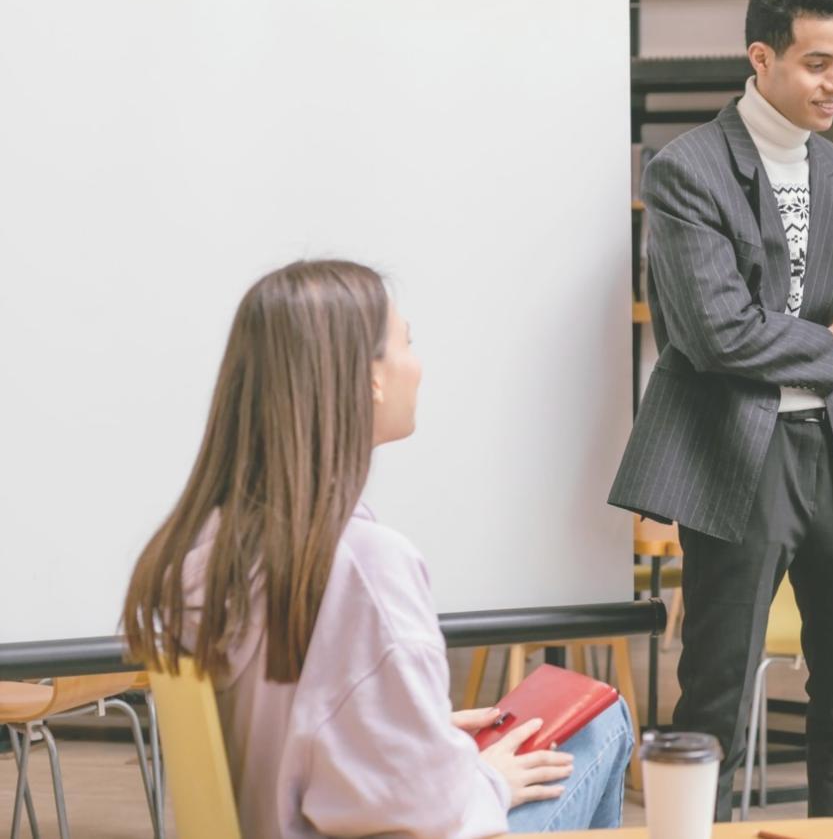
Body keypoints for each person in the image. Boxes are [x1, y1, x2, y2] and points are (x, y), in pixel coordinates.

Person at [122, 260, 632, 837]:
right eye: (407, 343)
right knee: (601, 720)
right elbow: (423, 821)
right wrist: (482, 776)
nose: (418, 366)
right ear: (371, 378)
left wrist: (431, 735)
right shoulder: (362, 566)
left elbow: (302, 732)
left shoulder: (202, 551)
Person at [608, 0, 833, 821]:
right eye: (817, 63)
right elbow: (717, 334)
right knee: (715, 698)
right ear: (761, 57)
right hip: (735, 458)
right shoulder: (685, 172)